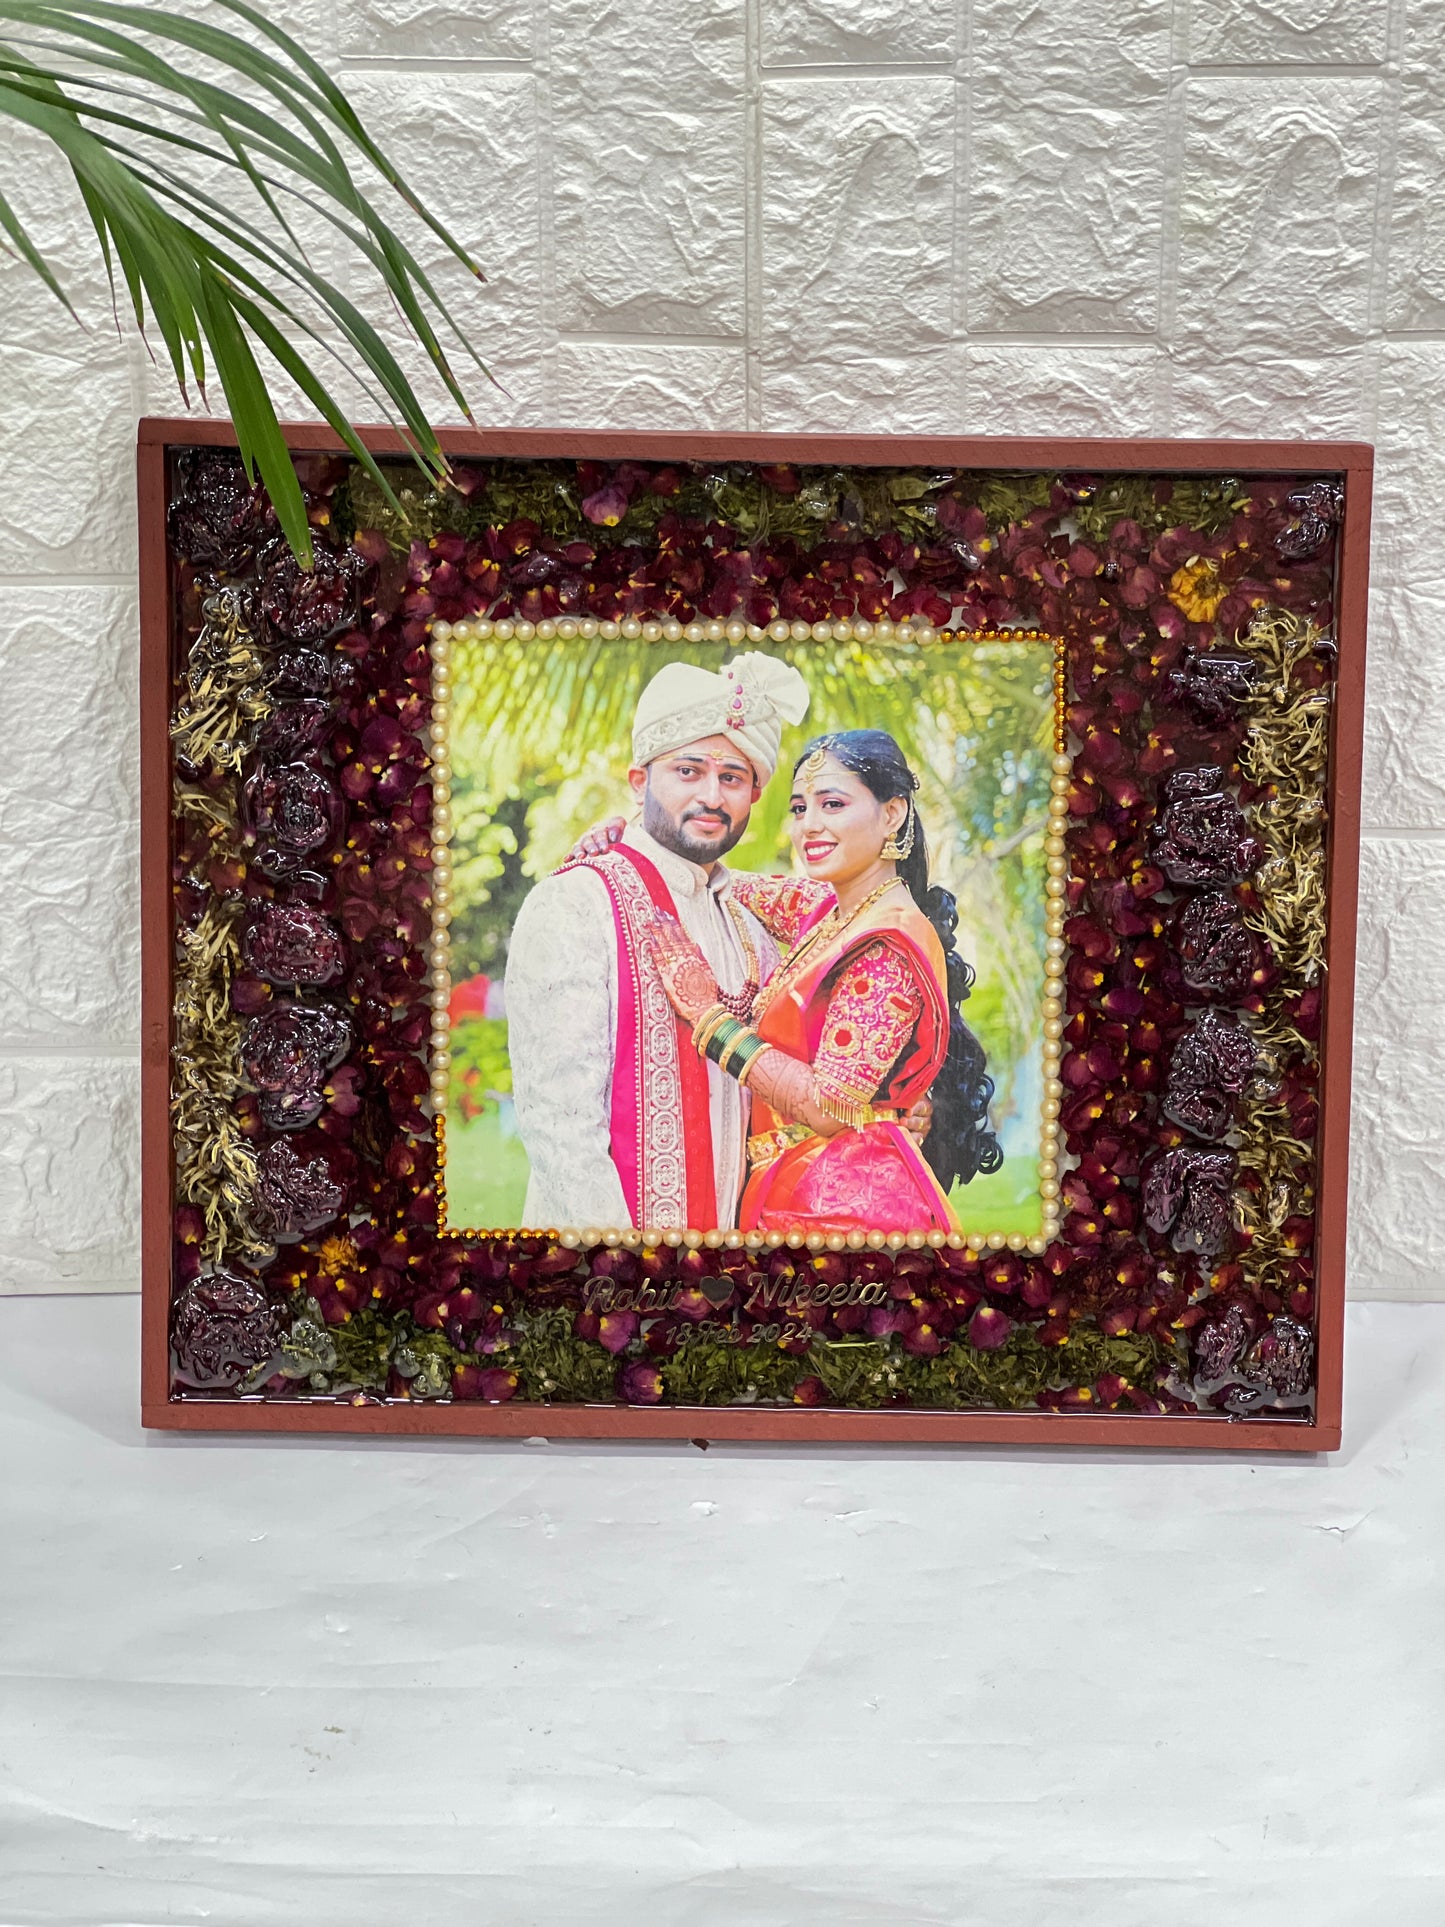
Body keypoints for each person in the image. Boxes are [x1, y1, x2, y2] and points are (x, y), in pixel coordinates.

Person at [644, 730, 1001, 1236]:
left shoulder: (886, 942)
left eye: (832, 804)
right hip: (804, 1190)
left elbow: (828, 1106)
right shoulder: (833, 914)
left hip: (844, 1207)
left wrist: (710, 1022)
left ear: (892, 814)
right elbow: (725, 877)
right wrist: (636, 838)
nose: (808, 826)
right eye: (799, 809)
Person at [504, 653, 810, 1233]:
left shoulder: (753, 925)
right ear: (640, 779)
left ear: (755, 796)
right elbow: (560, 1128)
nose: (712, 797)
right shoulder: (577, 904)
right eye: (688, 771)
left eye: (733, 778)